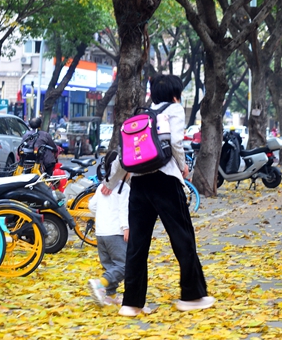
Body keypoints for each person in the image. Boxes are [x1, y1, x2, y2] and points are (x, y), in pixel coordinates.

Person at [106, 75, 213, 316]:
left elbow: (127, 151)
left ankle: (131, 304)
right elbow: (175, 142)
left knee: (137, 244)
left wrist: (111, 183)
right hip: (165, 180)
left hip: (140, 181)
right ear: (175, 94)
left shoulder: (142, 114)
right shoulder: (173, 109)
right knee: (183, 237)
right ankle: (192, 295)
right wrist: (183, 165)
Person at [87, 152, 129, 307]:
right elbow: (124, 209)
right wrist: (126, 227)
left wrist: (102, 215)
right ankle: (101, 284)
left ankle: (111, 296)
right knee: (124, 265)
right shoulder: (124, 188)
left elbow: (92, 206)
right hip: (115, 233)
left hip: (101, 233)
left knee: (110, 265)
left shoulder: (101, 187)